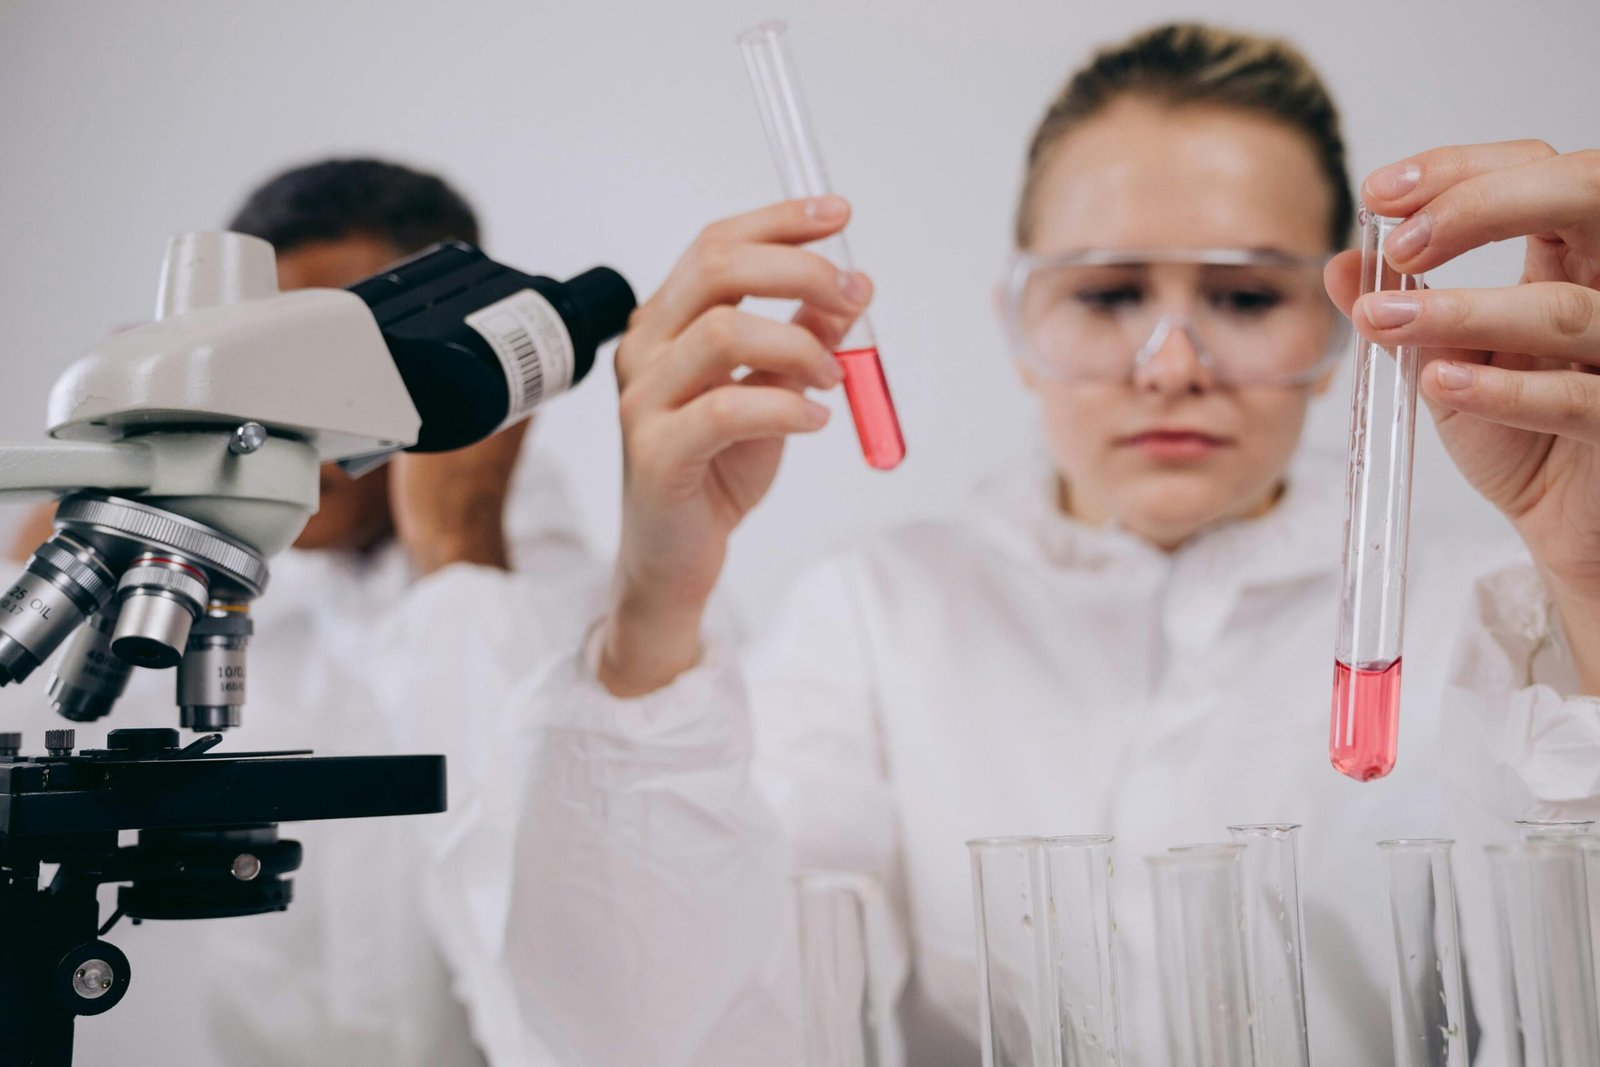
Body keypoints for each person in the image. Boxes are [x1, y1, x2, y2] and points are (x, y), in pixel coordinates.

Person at [427, 23, 1600, 1066]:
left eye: (1244, 297)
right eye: (1105, 294)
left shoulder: (1495, 608)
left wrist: (1594, 585)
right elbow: (659, 1032)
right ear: (1017, 319)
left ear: (1347, 313)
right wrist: (649, 613)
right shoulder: (880, 611)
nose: (1171, 362)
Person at [3, 158, 600, 1066]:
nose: (285, 404)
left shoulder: (588, 605)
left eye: (323, 358)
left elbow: (572, 913)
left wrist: (458, 540)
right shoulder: (203, 564)